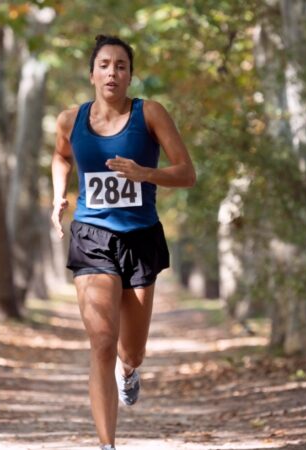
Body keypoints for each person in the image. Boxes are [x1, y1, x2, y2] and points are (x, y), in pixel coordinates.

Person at [51, 35, 196, 450]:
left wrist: (145, 173)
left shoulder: (149, 113)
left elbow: (186, 173)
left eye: (121, 66)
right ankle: (107, 444)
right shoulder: (70, 119)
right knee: (100, 341)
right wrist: (58, 193)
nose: (112, 72)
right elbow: (61, 156)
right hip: (92, 235)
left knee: (130, 351)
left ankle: (129, 371)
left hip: (140, 237)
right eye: (105, 65)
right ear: (92, 72)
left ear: (130, 74)